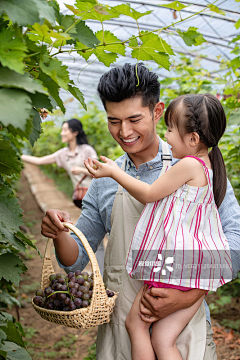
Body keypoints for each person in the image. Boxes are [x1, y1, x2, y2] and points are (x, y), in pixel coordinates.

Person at [40, 63, 240, 360]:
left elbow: (235, 244)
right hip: (122, 330)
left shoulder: (194, 170)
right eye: (114, 121)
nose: (124, 131)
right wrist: (59, 233)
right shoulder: (105, 181)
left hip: (183, 326)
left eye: (134, 119)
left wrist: (189, 294)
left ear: (157, 112)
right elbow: (76, 261)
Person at [84, 93, 233, 360]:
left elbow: (150, 193)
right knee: (164, 341)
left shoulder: (188, 165)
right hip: (192, 271)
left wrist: (114, 172)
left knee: (135, 325)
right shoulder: (211, 169)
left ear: (193, 139)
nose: (167, 135)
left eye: (171, 128)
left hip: (170, 266)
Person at [22, 118, 105, 274]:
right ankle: (99, 272)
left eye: (65, 130)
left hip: (96, 197)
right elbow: (39, 161)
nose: (62, 133)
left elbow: (99, 171)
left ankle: (102, 274)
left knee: (97, 237)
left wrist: (81, 170)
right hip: (81, 200)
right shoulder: (63, 154)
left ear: (75, 132)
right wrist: (17, 156)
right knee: (89, 236)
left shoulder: (86, 150)